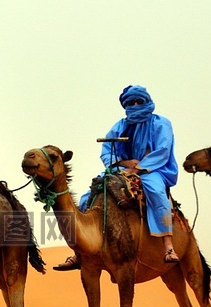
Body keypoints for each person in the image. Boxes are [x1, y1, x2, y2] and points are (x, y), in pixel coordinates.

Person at [54, 85, 180, 271]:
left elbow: (162, 151)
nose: (136, 105)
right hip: (122, 168)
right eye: (131, 103)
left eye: (139, 101)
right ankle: (78, 253)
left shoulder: (161, 123)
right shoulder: (120, 126)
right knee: (87, 197)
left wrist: (138, 168)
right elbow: (106, 151)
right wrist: (124, 163)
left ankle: (168, 246)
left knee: (156, 192)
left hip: (152, 169)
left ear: (147, 101)